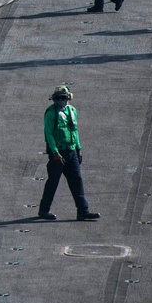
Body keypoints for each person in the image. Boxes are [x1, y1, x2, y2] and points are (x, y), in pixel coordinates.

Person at [37, 86, 100, 222]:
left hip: (71, 151)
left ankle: (83, 211)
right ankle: (44, 210)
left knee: (77, 181)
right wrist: (55, 153)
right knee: (53, 182)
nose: (61, 101)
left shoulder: (72, 111)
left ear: (68, 98)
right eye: (58, 98)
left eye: (64, 98)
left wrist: (78, 148)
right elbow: (48, 134)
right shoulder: (50, 113)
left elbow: (75, 131)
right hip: (58, 153)